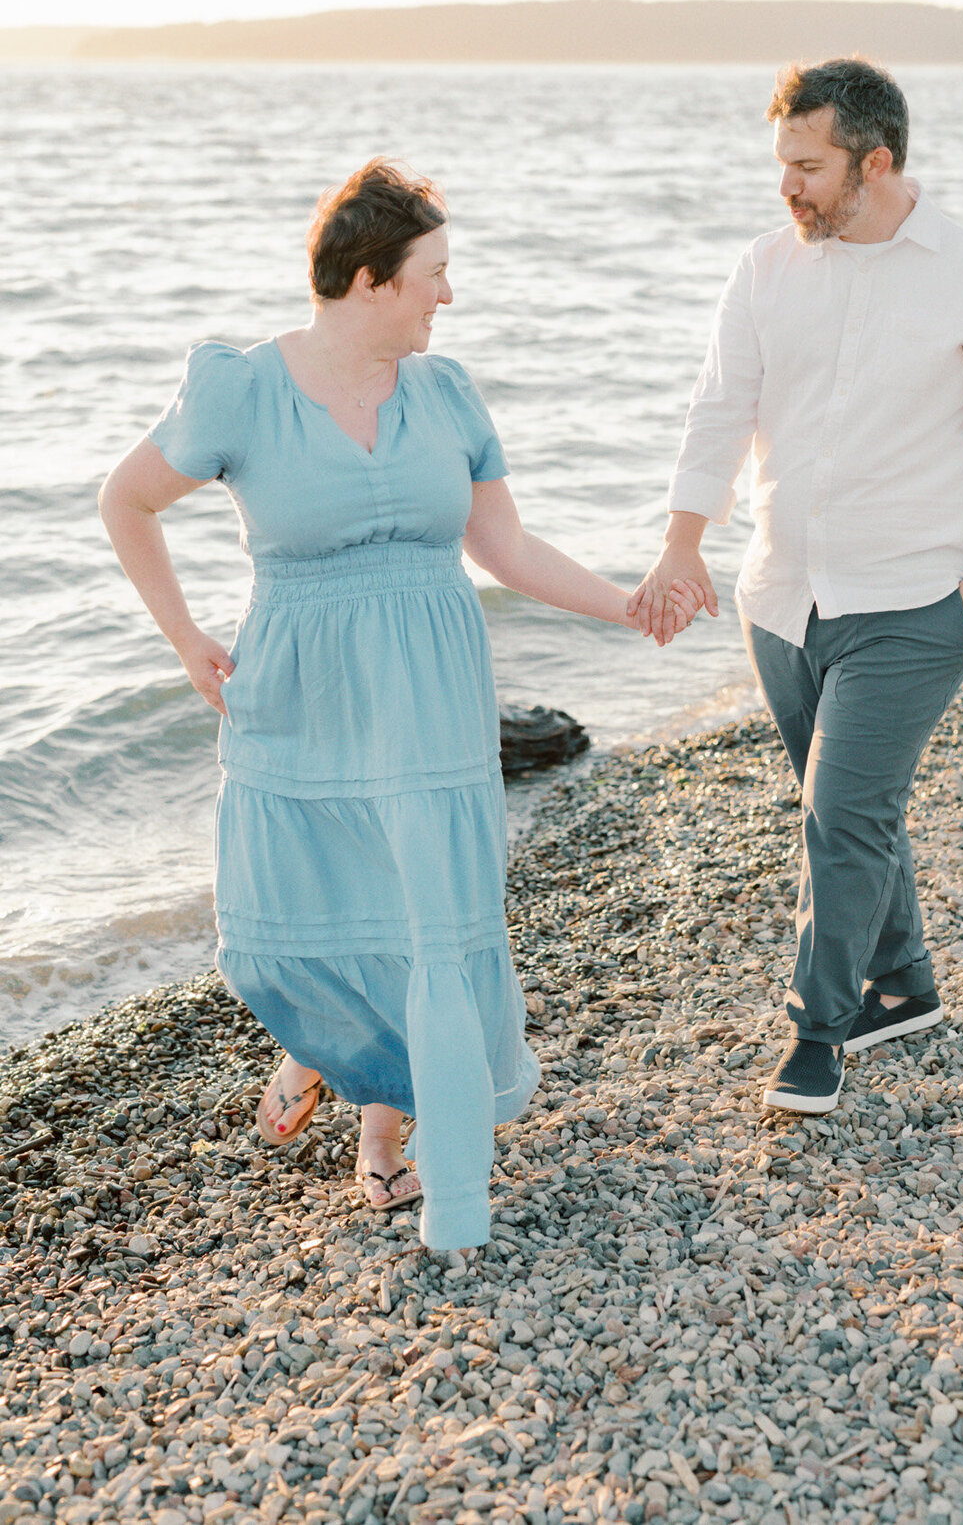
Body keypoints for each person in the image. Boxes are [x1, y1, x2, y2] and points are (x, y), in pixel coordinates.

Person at [100, 158, 699, 1251]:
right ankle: (327, 1041)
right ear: (372, 279)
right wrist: (185, 637)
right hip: (301, 695)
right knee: (301, 920)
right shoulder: (242, 388)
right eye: (435, 273)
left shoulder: (446, 393)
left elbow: (503, 546)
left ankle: (393, 1153)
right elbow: (127, 499)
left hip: (430, 696)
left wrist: (625, 609)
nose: (449, 295)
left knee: (432, 919)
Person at [631, 59, 963, 1116]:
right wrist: (684, 545)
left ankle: (817, 1034)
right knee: (853, 811)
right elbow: (719, 411)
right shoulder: (768, 267)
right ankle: (904, 981)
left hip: (915, 597)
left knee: (842, 813)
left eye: (808, 166)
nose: (788, 185)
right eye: (781, 163)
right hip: (781, 597)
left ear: (875, 161)